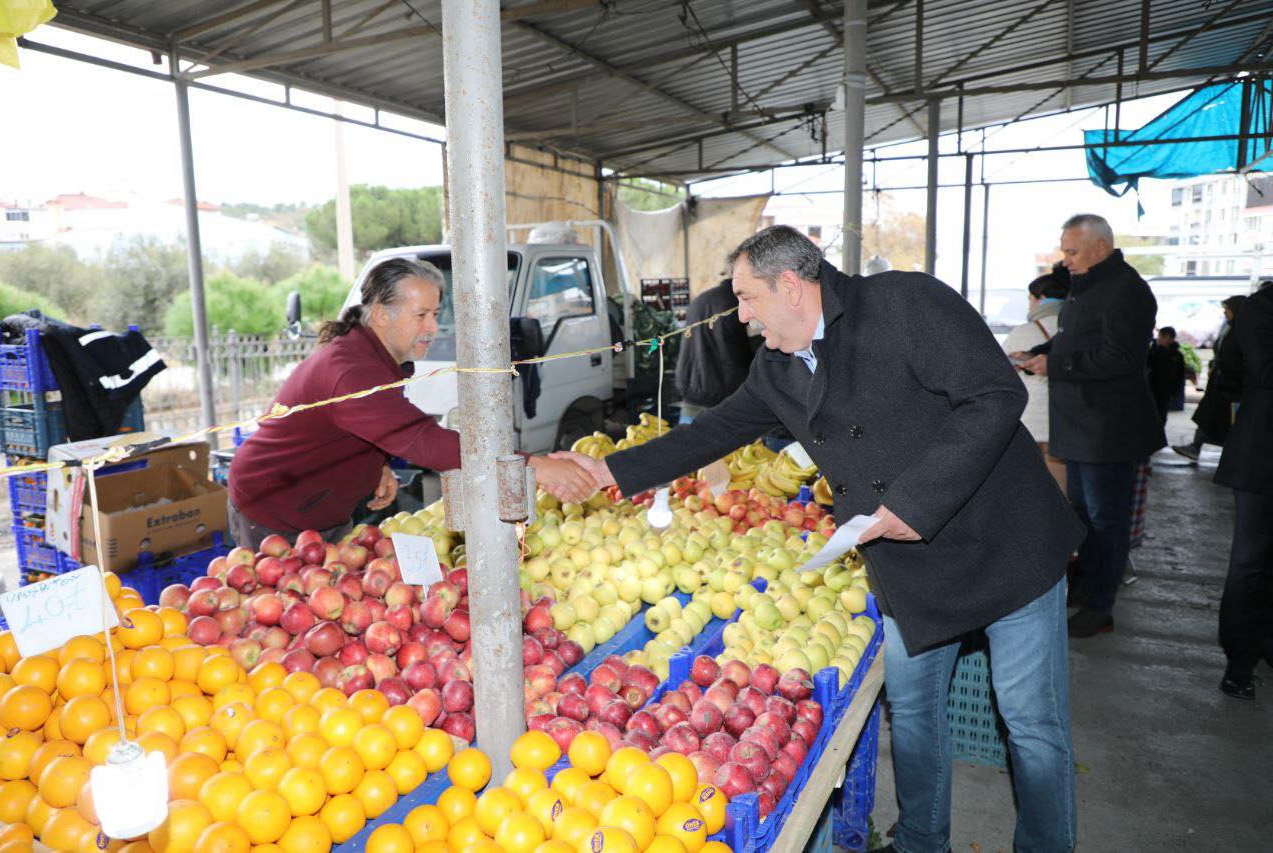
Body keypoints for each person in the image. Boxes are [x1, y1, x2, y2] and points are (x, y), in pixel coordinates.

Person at [557, 226, 1085, 853]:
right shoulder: (777, 368)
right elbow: (711, 433)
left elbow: (995, 397)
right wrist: (605, 472)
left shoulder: (905, 304)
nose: (743, 318)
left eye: (748, 299)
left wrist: (915, 502)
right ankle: (921, 842)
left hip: (1003, 542)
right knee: (914, 722)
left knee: (1031, 726)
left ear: (791, 286)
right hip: (907, 564)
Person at [227, 257, 595, 550]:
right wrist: (532, 466)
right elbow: (425, 441)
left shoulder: (371, 355)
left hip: (318, 507)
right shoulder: (351, 369)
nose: (433, 327)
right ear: (382, 315)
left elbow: (366, 425)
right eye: (421, 315)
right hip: (276, 509)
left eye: (436, 314)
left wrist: (376, 462)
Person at [1014, 214, 1166, 637]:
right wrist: (1039, 352)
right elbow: (1076, 342)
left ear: (1100, 246)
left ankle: (1101, 605)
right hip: (1080, 425)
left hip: (1107, 429)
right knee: (1082, 512)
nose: (1066, 261)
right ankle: (1087, 587)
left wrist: (1055, 363)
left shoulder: (1126, 290)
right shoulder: (1086, 287)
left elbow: (1121, 357)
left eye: (1072, 251)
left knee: (1105, 518)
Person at [1213, 282, 1273, 699]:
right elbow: (1255, 370)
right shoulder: (1260, 308)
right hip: (1262, 452)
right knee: (1250, 563)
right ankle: (1240, 661)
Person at [1003, 263, 1070, 494]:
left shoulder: (1021, 332)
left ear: (1040, 298)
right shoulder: (1074, 328)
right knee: (1061, 495)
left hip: (1027, 422)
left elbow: (1001, 374)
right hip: (1064, 423)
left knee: (1027, 491)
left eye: (1030, 299)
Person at [1172, 295, 1246, 461]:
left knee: (1226, 423)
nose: (1225, 312)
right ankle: (1196, 446)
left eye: (1227, 309)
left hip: (1232, 387)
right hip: (1221, 384)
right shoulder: (1229, 328)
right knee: (1208, 417)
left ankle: (1227, 453)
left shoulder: (1243, 332)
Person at [674, 279, 757, 424]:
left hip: (692, 389)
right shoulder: (738, 304)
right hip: (724, 394)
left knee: (687, 442)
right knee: (730, 445)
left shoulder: (700, 300)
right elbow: (748, 350)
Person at [1146, 325, 1186, 426]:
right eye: (1160, 336)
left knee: (1161, 415)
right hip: (1152, 388)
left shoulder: (1177, 355)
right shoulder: (1154, 351)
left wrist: (1175, 390)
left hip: (1166, 390)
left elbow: (1180, 374)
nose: (1160, 339)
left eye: (1164, 337)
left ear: (1171, 339)